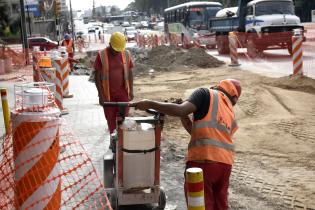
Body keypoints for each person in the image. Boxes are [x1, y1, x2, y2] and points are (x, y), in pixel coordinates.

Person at [132, 79, 241, 210]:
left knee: (200, 204)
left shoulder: (205, 94)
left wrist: (150, 103)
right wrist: (184, 117)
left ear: (220, 85)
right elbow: (199, 134)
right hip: (225, 166)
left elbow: (181, 110)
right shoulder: (230, 111)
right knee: (220, 205)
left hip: (204, 161)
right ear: (234, 97)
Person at [94, 32, 134, 135]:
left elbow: (130, 72)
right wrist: (101, 95)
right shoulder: (101, 55)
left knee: (124, 120)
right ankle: (114, 142)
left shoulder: (126, 54)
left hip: (123, 92)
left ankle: (123, 142)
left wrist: (131, 91)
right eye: (115, 49)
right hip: (108, 94)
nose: (117, 52)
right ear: (110, 44)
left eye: (119, 50)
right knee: (111, 121)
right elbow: (97, 76)